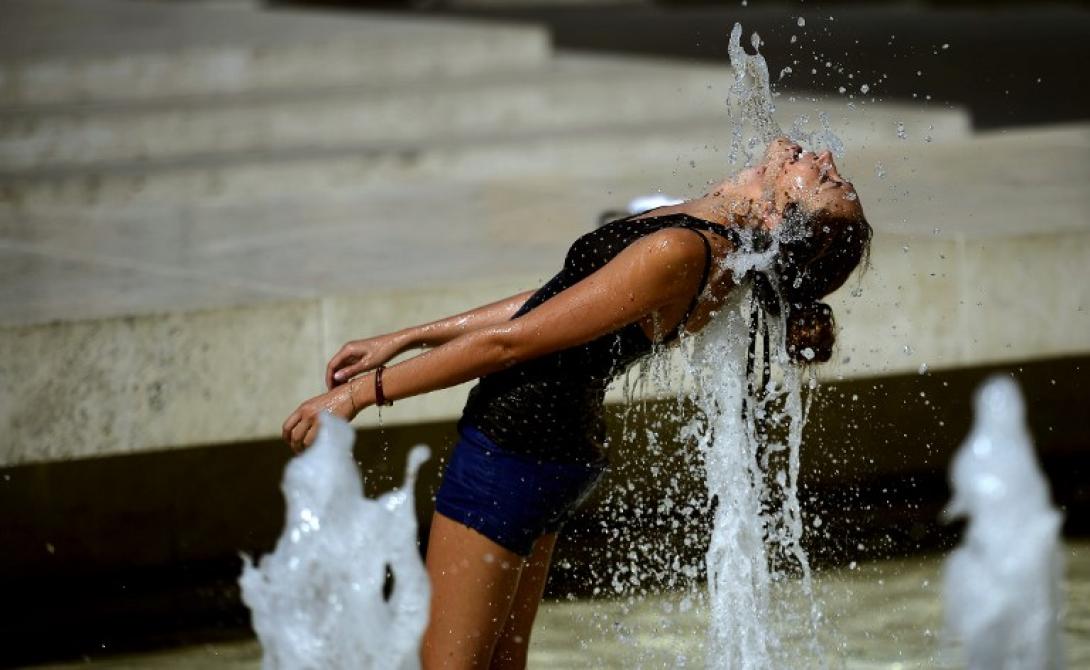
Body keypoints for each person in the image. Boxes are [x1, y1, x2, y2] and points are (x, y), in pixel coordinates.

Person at [281, 137, 872, 669]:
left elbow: (511, 342)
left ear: (776, 216)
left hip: (510, 455)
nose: (824, 159)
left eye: (825, 182)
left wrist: (361, 393)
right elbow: (556, 300)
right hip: (547, 454)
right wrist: (409, 336)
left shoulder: (683, 250)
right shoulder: (709, 235)